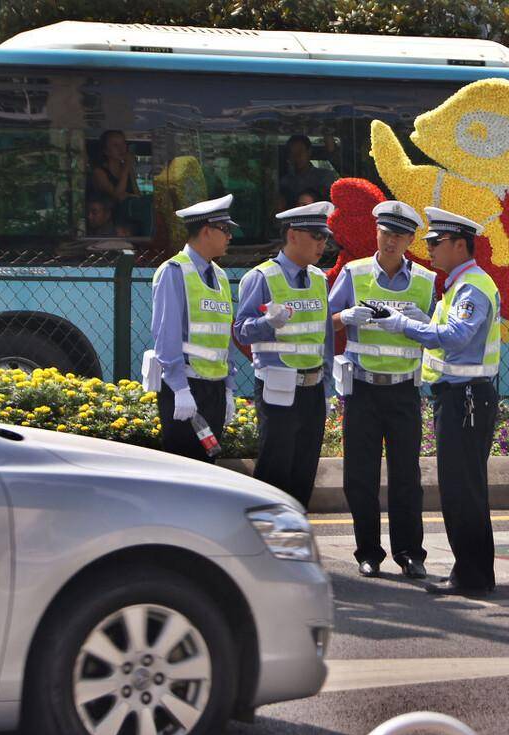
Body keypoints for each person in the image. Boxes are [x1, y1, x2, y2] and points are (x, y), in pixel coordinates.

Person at [372, 207, 500, 597]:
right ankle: (475, 572)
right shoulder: (460, 285)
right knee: (465, 487)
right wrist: (416, 317)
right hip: (462, 398)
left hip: (465, 399)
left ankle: (471, 575)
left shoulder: (472, 287)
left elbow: (457, 336)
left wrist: (403, 325)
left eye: (435, 242)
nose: (428, 249)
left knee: (462, 489)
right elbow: (448, 330)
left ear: (459, 245)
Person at [328, 200, 433, 580]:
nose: (391, 241)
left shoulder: (425, 281)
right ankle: (368, 552)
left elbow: (438, 333)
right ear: (376, 233)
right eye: (386, 233)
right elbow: (325, 320)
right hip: (363, 389)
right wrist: (342, 316)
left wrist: (425, 322)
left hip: (404, 391)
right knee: (361, 476)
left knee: (406, 476)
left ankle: (410, 553)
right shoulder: (354, 274)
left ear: (410, 240)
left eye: (400, 235)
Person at [234, 201, 335, 508]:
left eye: (325, 237)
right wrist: (268, 323)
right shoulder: (261, 278)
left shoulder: (319, 278)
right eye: (316, 236)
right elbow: (241, 330)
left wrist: (328, 388)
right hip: (278, 389)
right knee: (275, 470)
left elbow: (325, 337)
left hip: (313, 389)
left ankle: (295, 533)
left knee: (304, 472)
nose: (322, 244)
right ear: (293, 235)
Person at [149, 194, 238, 462]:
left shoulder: (220, 276)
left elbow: (224, 336)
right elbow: (166, 336)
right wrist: (179, 388)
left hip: (214, 388)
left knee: (208, 466)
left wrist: (229, 389)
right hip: (186, 387)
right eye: (225, 230)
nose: (229, 237)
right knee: (183, 468)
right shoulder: (174, 271)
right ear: (206, 231)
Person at [279, 135, 337, 210]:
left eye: (300, 151)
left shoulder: (325, 176)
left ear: (309, 152)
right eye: (292, 153)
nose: (297, 156)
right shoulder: (285, 181)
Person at [90, 130, 140, 207]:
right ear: (106, 151)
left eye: (123, 144)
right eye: (115, 145)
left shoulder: (127, 169)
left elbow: (137, 194)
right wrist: (126, 168)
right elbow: (117, 196)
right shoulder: (99, 172)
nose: (121, 149)